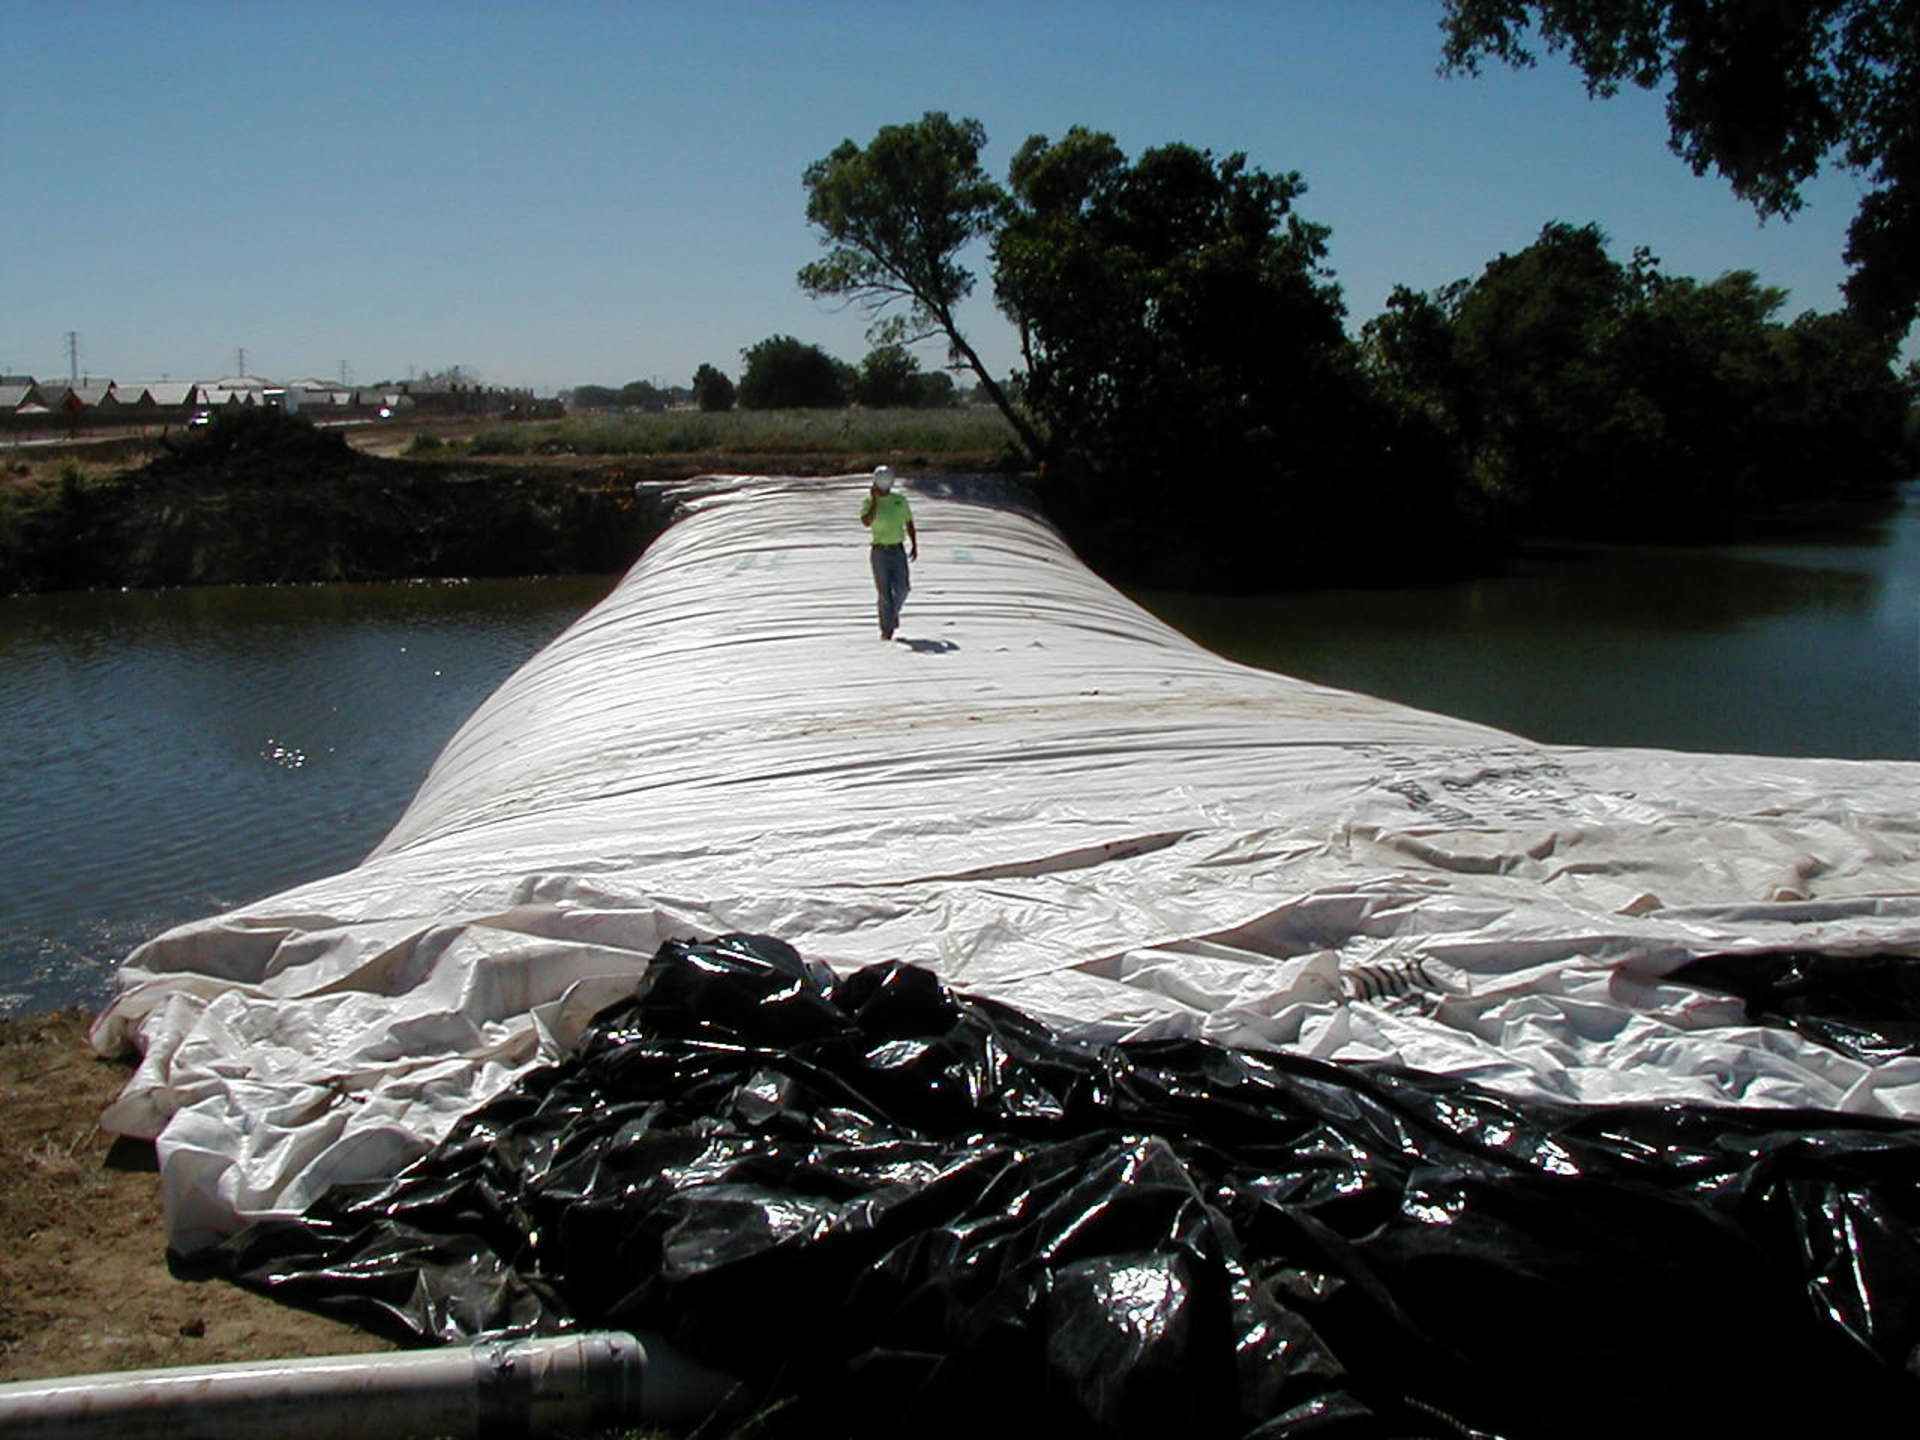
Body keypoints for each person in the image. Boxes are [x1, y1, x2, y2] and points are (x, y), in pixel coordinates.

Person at [858, 465, 918, 640]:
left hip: (897, 549)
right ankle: (886, 630)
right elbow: (866, 522)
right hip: (879, 551)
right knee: (884, 593)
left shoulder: (899, 500)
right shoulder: (868, 502)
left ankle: (893, 614)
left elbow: (909, 522)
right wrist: (875, 501)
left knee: (903, 588)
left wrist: (914, 544)